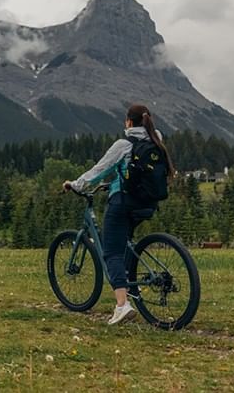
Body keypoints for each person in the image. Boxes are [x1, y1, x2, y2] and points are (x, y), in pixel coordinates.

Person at [62, 104, 176, 325]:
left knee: (111, 252)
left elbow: (99, 170)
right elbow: (129, 172)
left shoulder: (124, 144)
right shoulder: (155, 142)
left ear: (128, 122)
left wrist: (75, 185)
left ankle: (122, 305)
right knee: (125, 243)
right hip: (148, 203)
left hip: (123, 203)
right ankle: (130, 283)